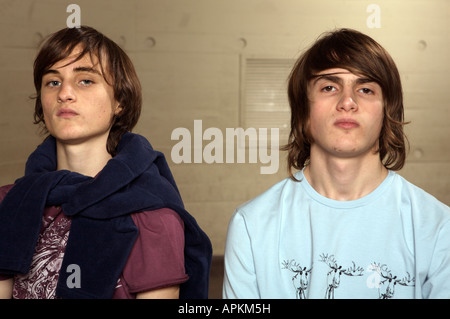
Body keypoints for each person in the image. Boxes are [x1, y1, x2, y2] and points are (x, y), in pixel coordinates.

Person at [223, 28, 450, 299]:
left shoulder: (438, 228)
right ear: (303, 112)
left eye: (365, 89)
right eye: (329, 87)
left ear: (387, 111)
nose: (347, 102)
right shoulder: (251, 225)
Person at [0, 26, 212, 299]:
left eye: (85, 80)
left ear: (119, 101)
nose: (65, 93)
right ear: (42, 102)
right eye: (53, 82)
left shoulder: (151, 216)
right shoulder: (10, 202)